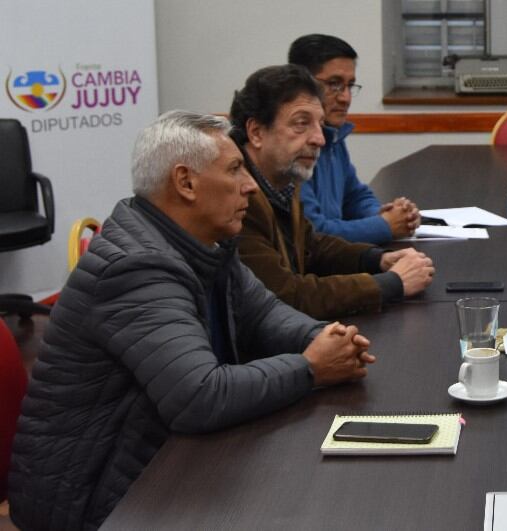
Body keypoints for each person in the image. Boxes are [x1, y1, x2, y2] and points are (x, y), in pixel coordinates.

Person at [6, 111, 378, 530]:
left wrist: (326, 337)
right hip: (93, 499)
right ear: (185, 183)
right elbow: (199, 397)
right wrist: (311, 368)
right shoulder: (135, 267)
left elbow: (266, 315)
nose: (251, 186)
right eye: (236, 169)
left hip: (156, 463)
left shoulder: (207, 243)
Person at [230, 64, 434, 320]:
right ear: (256, 132)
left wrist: (378, 260)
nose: (320, 139)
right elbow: (286, 297)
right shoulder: (234, 196)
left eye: (320, 124)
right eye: (301, 124)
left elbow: (313, 246)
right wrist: (392, 283)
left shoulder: (282, 180)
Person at [289, 34, 421, 244]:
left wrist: (385, 214)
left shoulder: (333, 135)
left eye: (350, 85)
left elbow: (354, 196)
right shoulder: (292, 146)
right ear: (303, 84)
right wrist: (385, 225)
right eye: (334, 84)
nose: (345, 98)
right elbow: (314, 231)